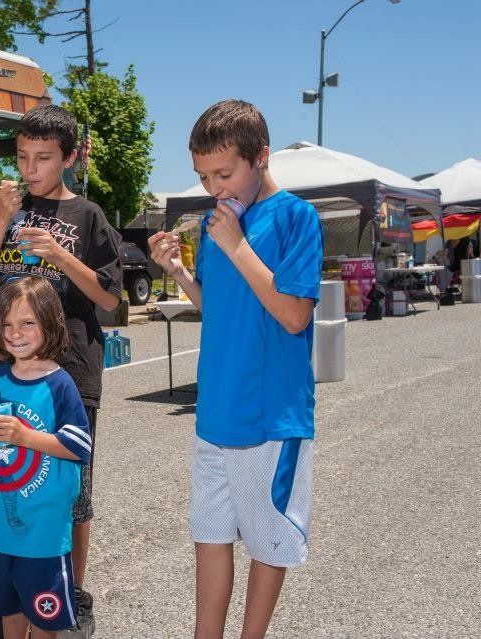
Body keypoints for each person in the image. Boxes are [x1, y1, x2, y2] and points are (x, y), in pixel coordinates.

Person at [148, 99, 322, 639]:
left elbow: (293, 315)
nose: (214, 188)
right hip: (214, 413)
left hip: (269, 417)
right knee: (211, 538)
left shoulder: (296, 217)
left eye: (225, 173)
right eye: (204, 177)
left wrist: (238, 244)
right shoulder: (214, 222)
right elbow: (222, 305)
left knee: (269, 542)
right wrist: (178, 271)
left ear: (261, 157)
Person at [0, 104, 122, 637]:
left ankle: (67, 593)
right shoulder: (5, 209)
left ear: (70, 159)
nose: (31, 169)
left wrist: (57, 252)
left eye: (44, 158)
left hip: (69, 372)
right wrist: (2, 219)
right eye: (23, 157)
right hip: (4, 374)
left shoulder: (88, 216)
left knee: (70, 489)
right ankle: (15, 593)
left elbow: (108, 297)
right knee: (11, 478)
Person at [0, 276, 92, 639]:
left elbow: (78, 447)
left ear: (49, 323)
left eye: (27, 322)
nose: (15, 332)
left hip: (41, 531)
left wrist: (26, 436)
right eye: (7, 324)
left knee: (43, 618)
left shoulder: (60, 384)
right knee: (9, 609)